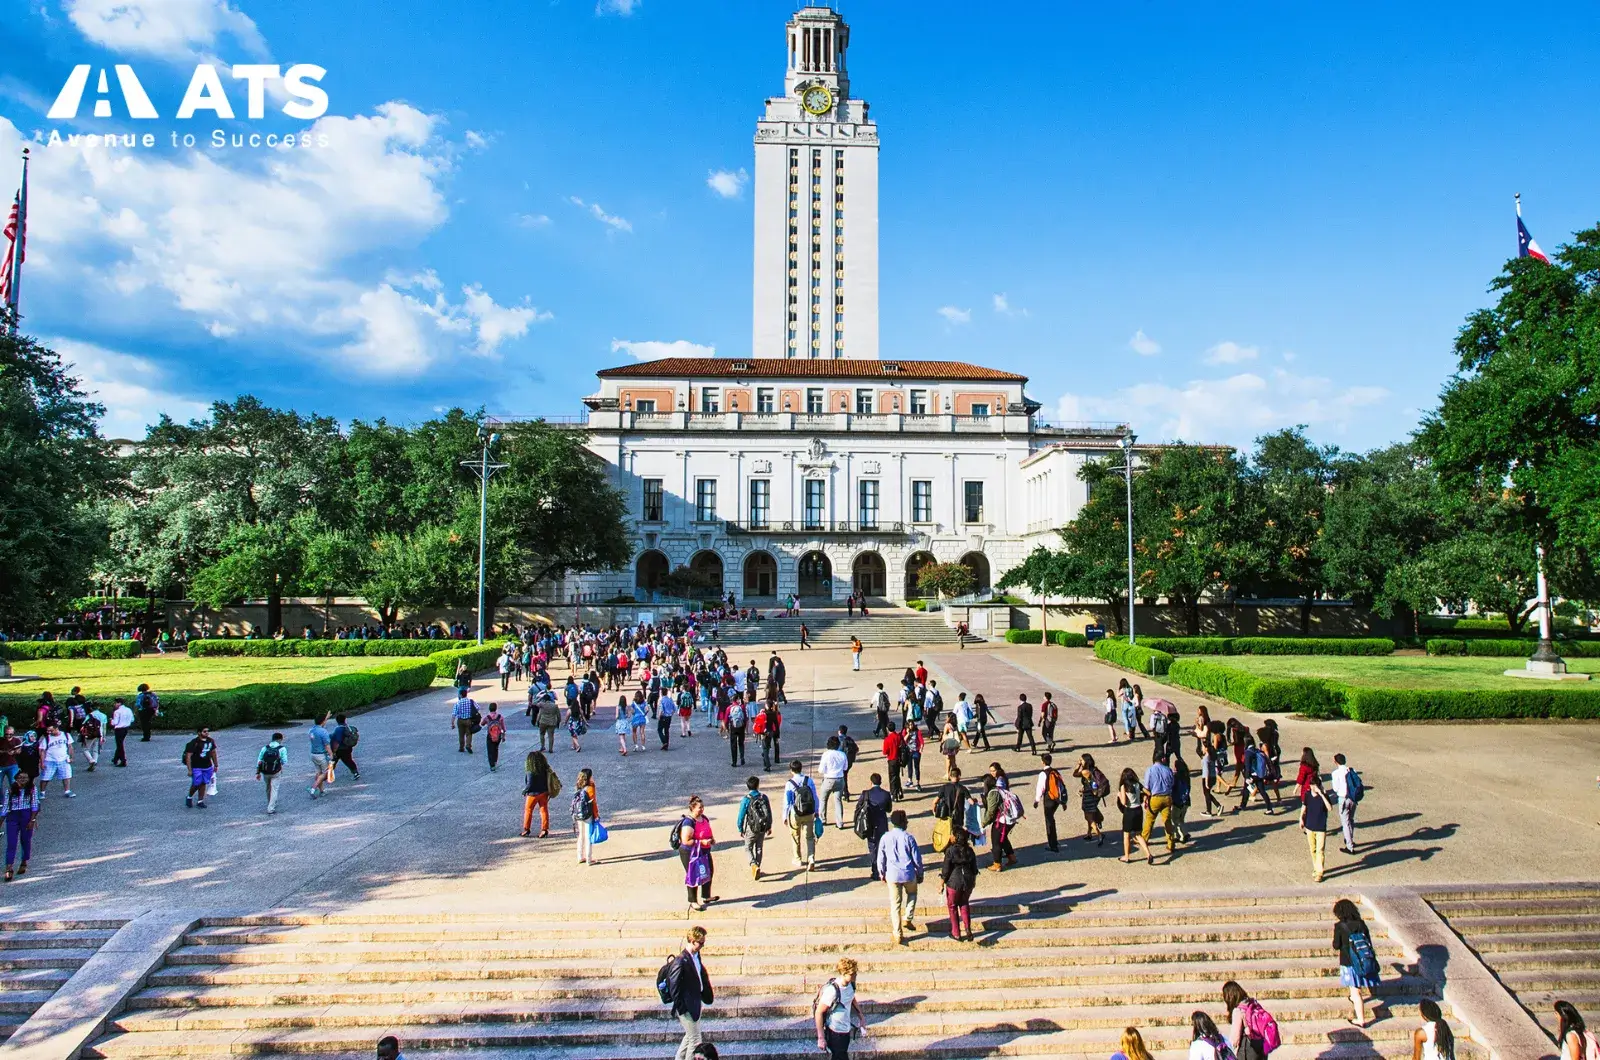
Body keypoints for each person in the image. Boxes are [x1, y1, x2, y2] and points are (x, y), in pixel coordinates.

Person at [876, 809, 923, 945]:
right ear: (903, 823)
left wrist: (881, 873)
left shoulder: (885, 837)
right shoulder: (909, 838)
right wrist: (920, 873)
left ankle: (897, 933)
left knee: (895, 904)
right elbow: (917, 859)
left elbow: (881, 858)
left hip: (892, 874)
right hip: (908, 873)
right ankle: (908, 917)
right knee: (912, 894)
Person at [666, 926, 713, 1060]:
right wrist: (682, 1008)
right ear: (692, 941)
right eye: (701, 943)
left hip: (694, 1003)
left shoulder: (695, 956)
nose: (703, 946)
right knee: (695, 1040)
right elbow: (674, 987)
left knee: (689, 1037)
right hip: (687, 1007)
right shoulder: (681, 961)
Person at [1333, 898, 1380, 1027]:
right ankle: (1353, 998)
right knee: (1356, 988)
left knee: (1356, 991)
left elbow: (1336, 945)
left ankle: (1361, 1020)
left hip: (1348, 962)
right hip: (1363, 960)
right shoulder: (1361, 924)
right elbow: (1368, 941)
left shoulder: (1339, 926)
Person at [814, 956, 865, 1059]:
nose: (855, 975)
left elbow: (852, 999)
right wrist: (821, 1038)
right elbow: (819, 1012)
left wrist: (861, 1017)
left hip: (846, 1030)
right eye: (852, 974)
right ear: (843, 973)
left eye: (855, 973)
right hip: (835, 1033)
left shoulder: (850, 985)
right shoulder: (832, 991)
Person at [939, 823, 978, 942]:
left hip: (954, 882)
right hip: (968, 881)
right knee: (964, 903)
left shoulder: (950, 851)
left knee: (952, 906)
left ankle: (956, 933)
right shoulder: (970, 851)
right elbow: (974, 869)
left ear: (955, 837)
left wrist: (941, 883)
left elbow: (946, 870)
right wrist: (973, 881)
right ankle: (967, 928)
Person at [679, 796, 717, 911]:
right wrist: (701, 842)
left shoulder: (704, 818)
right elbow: (686, 840)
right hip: (690, 853)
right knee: (693, 875)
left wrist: (711, 839)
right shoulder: (688, 822)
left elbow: (707, 830)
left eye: (703, 807)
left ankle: (706, 896)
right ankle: (693, 901)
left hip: (704, 851)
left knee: (708, 871)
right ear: (692, 808)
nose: (702, 809)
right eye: (699, 807)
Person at [3, 772, 39, 881]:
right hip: (13, 816)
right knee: (11, 842)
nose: (23, 779)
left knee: (25, 840)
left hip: (26, 815)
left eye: (25, 777)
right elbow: (5, 807)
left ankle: (24, 861)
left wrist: (32, 820)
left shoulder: (32, 789)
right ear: (16, 779)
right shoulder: (10, 790)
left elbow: (35, 805)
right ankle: (9, 867)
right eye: (20, 777)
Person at [784, 759, 819, 870]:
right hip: (809, 812)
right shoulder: (809, 781)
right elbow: (814, 797)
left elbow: (787, 802)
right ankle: (811, 858)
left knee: (795, 836)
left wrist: (785, 816)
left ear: (791, 770)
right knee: (809, 836)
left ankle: (797, 858)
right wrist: (816, 811)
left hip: (795, 813)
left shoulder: (789, 783)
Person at [736, 776, 772, 880]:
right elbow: (769, 813)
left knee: (748, 847)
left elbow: (741, 816)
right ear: (758, 785)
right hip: (762, 827)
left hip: (751, 827)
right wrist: (769, 826)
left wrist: (740, 828)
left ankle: (753, 865)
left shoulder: (746, 799)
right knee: (759, 848)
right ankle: (758, 866)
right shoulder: (764, 797)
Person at [858, 772, 893, 880]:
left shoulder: (866, 794)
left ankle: (875, 871)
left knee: (873, 848)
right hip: (882, 824)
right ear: (880, 782)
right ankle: (884, 869)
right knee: (883, 847)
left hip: (870, 824)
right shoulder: (886, 794)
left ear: (871, 782)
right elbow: (889, 809)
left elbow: (859, 807)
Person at [1142, 751, 1177, 857]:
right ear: (1162, 759)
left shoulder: (1150, 770)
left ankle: (1144, 839)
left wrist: (1146, 798)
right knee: (1167, 821)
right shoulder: (1168, 770)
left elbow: (1146, 786)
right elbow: (1172, 783)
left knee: (1149, 820)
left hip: (1155, 798)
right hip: (1167, 797)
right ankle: (1171, 844)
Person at [980, 774, 1017, 873]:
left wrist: (983, 823)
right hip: (1009, 819)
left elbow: (991, 811)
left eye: (983, 783)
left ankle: (997, 864)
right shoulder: (998, 790)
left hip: (1002, 820)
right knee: (1003, 838)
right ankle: (1011, 857)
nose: (982, 785)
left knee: (996, 841)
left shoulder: (993, 793)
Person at [1117, 767, 1153, 865]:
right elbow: (1148, 793)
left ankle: (1126, 856)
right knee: (1138, 835)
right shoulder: (1137, 784)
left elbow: (1124, 802)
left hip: (1129, 811)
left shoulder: (1124, 786)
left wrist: (1119, 795)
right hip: (1138, 810)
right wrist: (1144, 797)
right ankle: (1148, 854)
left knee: (1126, 835)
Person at [1300, 777, 1334, 882]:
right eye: (1312, 786)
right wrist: (1301, 819)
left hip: (1320, 827)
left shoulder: (1323, 796)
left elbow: (1330, 808)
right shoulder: (1307, 795)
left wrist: (1322, 794)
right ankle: (1316, 868)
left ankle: (1319, 873)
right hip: (1309, 826)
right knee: (1313, 850)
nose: (1314, 788)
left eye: (1315, 786)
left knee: (1320, 850)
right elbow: (1304, 807)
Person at [1034, 752, 1067, 853]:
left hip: (1049, 799)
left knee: (1049, 821)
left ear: (1042, 762)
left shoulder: (1043, 774)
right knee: (1051, 819)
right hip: (1056, 799)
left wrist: (1037, 800)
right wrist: (1063, 802)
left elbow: (1040, 788)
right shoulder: (1055, 772)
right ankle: (1055, 841)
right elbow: (1061, 785)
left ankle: (1052, 845)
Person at [1330, 753, 1362, 854]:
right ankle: (1350, 839)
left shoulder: (1335, 773)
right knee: (1351, 820)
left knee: (1345, 822)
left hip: (1343, 799)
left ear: (1336, 762)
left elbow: (1335, 788)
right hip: (1353, 798)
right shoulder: (1352, 770)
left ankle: (1349, 846)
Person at [1073, 753, 1108, 845]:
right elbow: (1089, 782)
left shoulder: (1085, 771)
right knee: (1090, 814)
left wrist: (1078, 765)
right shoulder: (1094, 769)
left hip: (1089, 796)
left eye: (1082, 760)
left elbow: (1074, 774)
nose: (1080, 761)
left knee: (1088, 816)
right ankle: (1089, 833)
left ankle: (1099, 834)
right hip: (1094, 795)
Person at [183, 724, 218, 809]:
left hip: (207, 766)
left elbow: (213, 752)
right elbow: (188, 756)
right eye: (204, 731)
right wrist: (189, 770)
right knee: (196, 783)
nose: (207, 733)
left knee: (203, 783)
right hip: (196, 766)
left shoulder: (210, 741)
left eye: (207, 731)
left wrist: (216, 764)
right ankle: (189, 797)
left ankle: (200, 801)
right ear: (199, 733)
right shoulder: (194, 743)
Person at [521, 750, 555, 838]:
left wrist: (525, 791)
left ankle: (526, 829)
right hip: (544, 792)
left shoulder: (530, 771)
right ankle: (544, 829)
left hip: (533, 794)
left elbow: (530, 783)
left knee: (528, 810)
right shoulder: (545, 768)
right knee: (544, 810)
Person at [37, 722, 75, 799]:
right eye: (48, 730)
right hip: (50, 760)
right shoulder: (47, 738)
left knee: (66, 776)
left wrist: (71, 757)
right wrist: (42, 762)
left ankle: (67, 791)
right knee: (45, 777)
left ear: (56, 728)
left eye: (51, 730)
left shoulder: (66, 735)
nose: (49, 732)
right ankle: (42, 792)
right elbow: (42, 751)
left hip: (63, 759)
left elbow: (70, 747)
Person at [818, 736, 849, 829]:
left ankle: (823, 819)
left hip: (828, 779)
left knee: (823, 799)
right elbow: (845, 768)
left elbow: (821, 770)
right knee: (838, 800)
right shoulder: (842, 754)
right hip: (839, 779)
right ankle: (839, 822)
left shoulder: (826, 754)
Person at [571, 767, 599, 865]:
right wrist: (596, 815)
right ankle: (589, 859)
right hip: (588, 814)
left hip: (578, 813)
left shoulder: (578, 786)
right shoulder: (590, 788)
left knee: (581, 835)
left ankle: (579, 856)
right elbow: (593, 803)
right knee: (588, 836)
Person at [255, 732, 287, 814]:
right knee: (274, 789)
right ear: (280, 739)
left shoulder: (265, 748)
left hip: (265, 772)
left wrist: (258, 772)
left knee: (268, 788)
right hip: (276, 772)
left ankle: (269, 802)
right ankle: (271, 808)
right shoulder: (282, 748)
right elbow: (284, 761)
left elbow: (259, 760)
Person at [329, 713, 361, 781]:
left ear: (337, 721)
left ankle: (328, 775)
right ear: (345, 720)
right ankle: (355, 772)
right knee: (349, 761)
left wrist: (334, 751)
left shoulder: (338, 729)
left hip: (339, 749)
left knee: (333, 761)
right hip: (348, 748)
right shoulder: (348, 728)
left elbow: (337, 741)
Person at [308, 714, 333, 800]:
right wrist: (331, 754)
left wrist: (326, 717)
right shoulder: (323, 731)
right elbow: (327, 745)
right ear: (323, 722)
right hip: (321, 755)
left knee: (318, 772)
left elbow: (320, 724)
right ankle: (313, 788)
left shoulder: (311, 730)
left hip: (313, 754)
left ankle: (322, 791)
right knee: (325, 773)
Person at [881, 722, 905, 800]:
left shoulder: (887, 739)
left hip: (891, 759)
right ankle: (899, 791)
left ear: (888, 729)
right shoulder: (899, 736)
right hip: (899, 759)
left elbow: (885, 752)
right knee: (897, 776)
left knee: (892, 778)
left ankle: (894, 794)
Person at [450, 688, 478, 753]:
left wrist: (452, 723)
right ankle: (468, 745)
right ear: (466, 694)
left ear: (460, 695)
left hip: (460, 720)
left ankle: (461, 747)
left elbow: (454, 714)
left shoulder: (458, 703)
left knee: (461, 734)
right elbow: (477, 708)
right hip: (469, 720)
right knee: (469, 733)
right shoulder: (470, 701)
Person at [109, 697, 133, 767]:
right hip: (126, 728)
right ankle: (116, 758)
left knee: (119, 745)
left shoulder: (117, 712)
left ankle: (123, 760)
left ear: (119, 703)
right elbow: (132, 719)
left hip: (119, 729)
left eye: (116, 703)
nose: (115, 704)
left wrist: (111, 720)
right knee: (120, 743)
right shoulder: (128, 710)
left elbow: (115, 722)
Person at [727, 695, 748, 767]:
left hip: (733, 727)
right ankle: (742, 758)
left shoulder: (729, 708)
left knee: (733, 744)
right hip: (741, 727)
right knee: (741, 743)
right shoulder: (742, 707)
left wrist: (727, 728)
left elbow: (726, 719)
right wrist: (744, 726)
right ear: (737, 700)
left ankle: (734, 762)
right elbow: (745, 718)